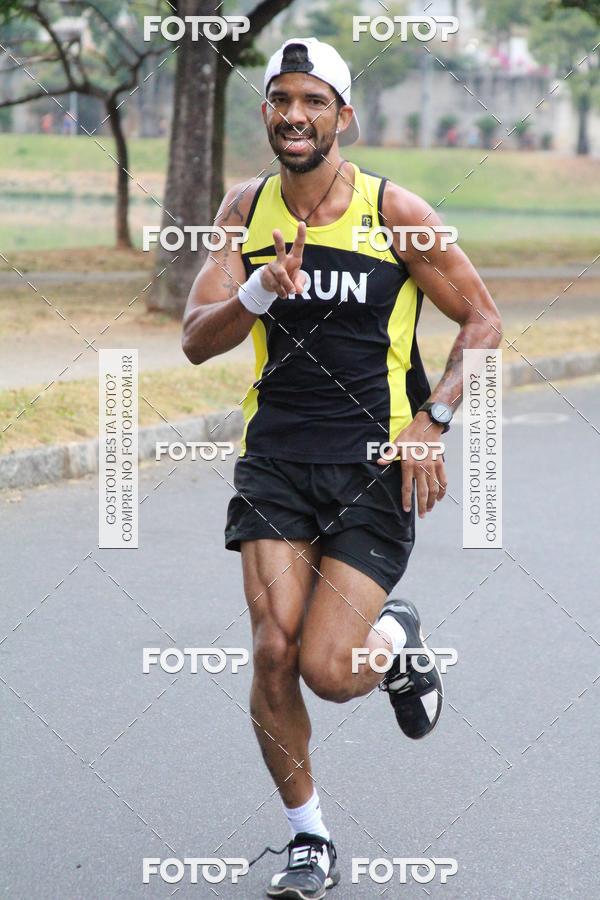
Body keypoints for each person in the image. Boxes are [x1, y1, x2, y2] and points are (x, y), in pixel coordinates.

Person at [182, 37, 501, 900]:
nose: (295, 115)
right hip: (276, 464)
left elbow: (483, 323)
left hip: (372, 469)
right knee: (274, 652)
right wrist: (255, 293)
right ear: (267, 113)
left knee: (329, 668)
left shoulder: (396, 211)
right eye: (282, 99)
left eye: (313, 101)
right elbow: (194, 339)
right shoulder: (243, 210)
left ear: (342, 116)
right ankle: (308, 836)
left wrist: (434, 418)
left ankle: (394, 639)